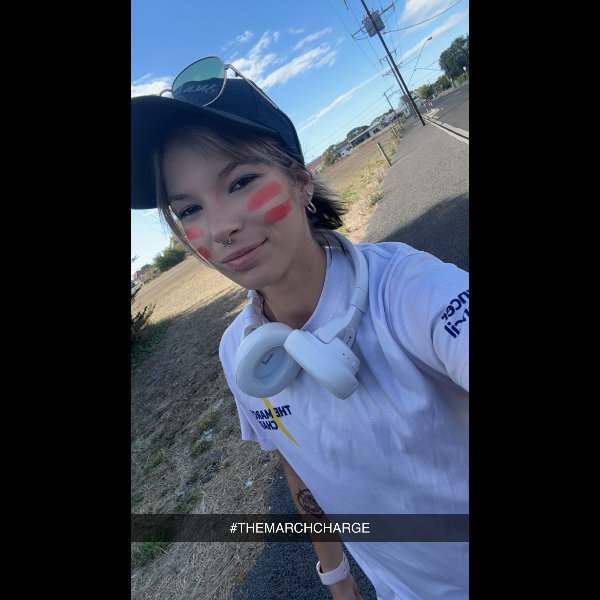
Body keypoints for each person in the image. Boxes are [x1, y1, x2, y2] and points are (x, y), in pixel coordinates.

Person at [131, 55, 469, 600]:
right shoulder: (240, 353)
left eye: (241, 180)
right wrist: (336, 579)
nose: (220, 228)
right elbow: (300, 463)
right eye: (188, 209)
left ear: (300, 182)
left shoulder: (409, 290)